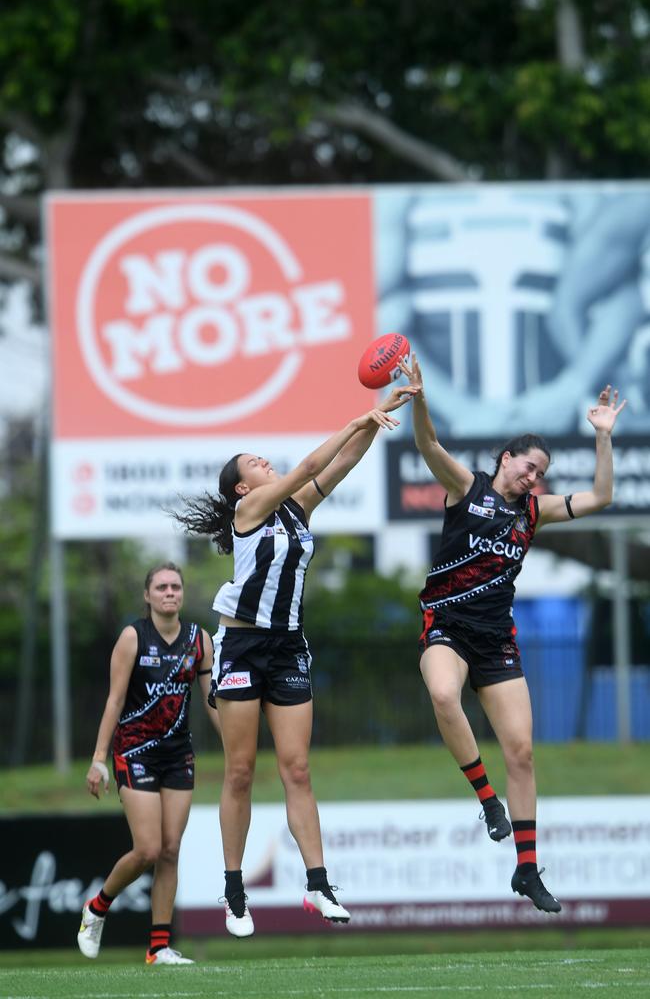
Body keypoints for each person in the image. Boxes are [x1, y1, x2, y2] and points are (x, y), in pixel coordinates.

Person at [172, 386, 418, 937]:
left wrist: (377, 421)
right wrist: (356, 416)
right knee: (239, 772)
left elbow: (341, 463)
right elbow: (312, 461)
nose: (264, 460)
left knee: (298, 769)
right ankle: (234, 890)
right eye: (253, 462)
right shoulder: (250, 507)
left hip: (287, 646)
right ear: (242, 486)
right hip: (241, 647)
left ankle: (318, 883)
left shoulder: (295, 506)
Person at [399, 353, 626, 912]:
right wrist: (421, 401)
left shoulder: (534, 512)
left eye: (541, 473)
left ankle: (527, 869)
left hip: (496, 637)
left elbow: (601, 498)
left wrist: (602, 438)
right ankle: (486, 798)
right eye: (528, 467)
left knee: (522, 752)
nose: (534, 477)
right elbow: (429, 447)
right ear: (506, 459)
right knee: (444, 694)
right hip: (445, 626)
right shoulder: (466, 489)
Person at [77, 562, 220, 964]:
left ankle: (158, 948)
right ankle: (96, 908)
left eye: (175, 586)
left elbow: (212, 701)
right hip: (134, 751)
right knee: (148, 849)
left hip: (178, 756)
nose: (169, 592)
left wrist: (238, 746)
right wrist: (98, 760)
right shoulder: (132, 637)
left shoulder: (199, 640)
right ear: (148, 595)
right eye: (161, 587)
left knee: (171, 851)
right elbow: (114, 700)